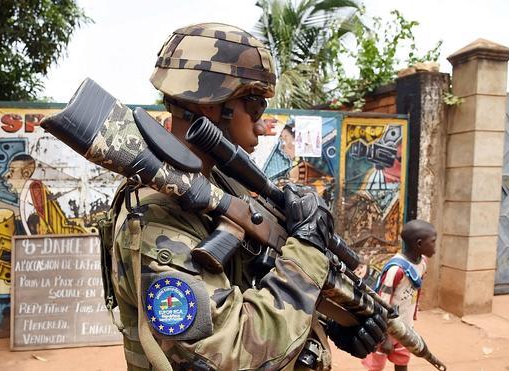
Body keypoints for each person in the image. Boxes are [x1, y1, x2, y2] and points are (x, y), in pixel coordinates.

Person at [108, 23, 386, 370]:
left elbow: (255, 281)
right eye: (254, 106)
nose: (261, 124)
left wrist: (334, 317)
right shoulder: (158, 216)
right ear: (211, 106)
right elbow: (229, 352)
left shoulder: (222, 183)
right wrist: (308, 251)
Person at [362, 219, 437, 371]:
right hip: (385, 329)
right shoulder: (396, 270)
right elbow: (381, 302)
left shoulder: (422, 263)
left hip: (406, 326)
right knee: (376, 365)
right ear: (419, 244)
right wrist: (384, 337)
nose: (435, 246)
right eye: (433, 242)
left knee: (402, 362)